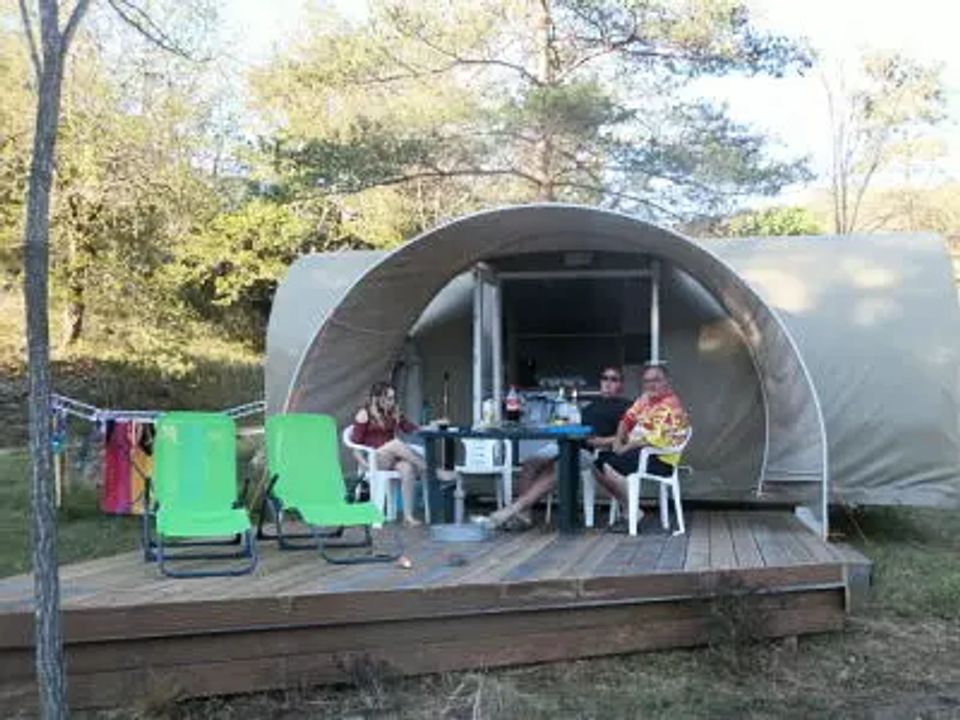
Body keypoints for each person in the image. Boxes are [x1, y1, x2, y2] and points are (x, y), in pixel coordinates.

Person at [487, 366, 633, 529]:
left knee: (561, 466)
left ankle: (513, 509)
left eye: (613, 380)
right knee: (531, 462)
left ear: (621, 385)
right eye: (604, 378)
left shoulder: (627, 407)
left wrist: (599, 441)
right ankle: (523, 516)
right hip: (569, 443)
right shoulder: (589, 407)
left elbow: (628, 437)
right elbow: (575, 427)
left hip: (593, 452)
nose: (607, 383)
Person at [597, 363, 690, 527]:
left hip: (660, 458)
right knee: (598, 463)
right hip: (640, 452)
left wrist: (623, 448)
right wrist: (618, 441)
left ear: (666, 382)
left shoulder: (670, 405)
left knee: (607, 466)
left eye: (656, 380)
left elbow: (648, 439)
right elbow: (626, 420)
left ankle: (633, 512)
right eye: (647, 381)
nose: (651, 385)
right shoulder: (645, 400)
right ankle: (631, 509)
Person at [350, 381, 429, 527]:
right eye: (389, 398)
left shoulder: (393, 412)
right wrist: (364, 465)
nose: (392, 402)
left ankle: (408, 516)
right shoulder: (364, 414)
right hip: (375, 458)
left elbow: (410, 429)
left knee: (407, 468)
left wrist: (430, 427)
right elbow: (355, 446)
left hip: (393, 457)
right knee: (395, 443)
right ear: (378, 398)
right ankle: (427, 468)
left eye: (393, 398)